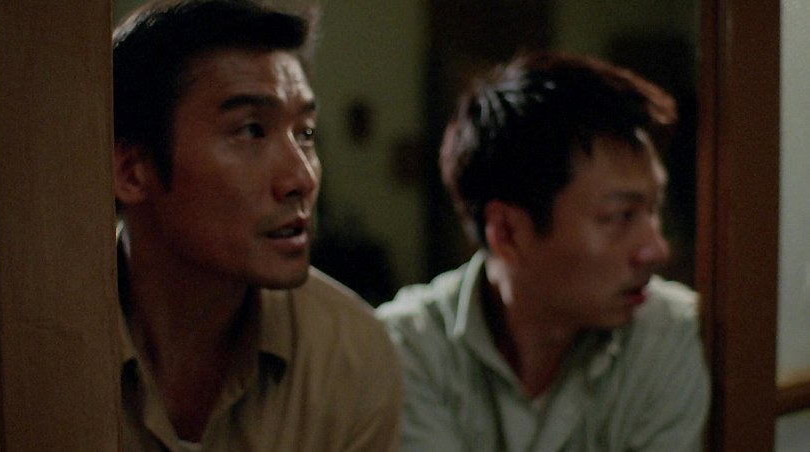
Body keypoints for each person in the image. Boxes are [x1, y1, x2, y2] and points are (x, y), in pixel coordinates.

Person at [376, 51, 710, 451]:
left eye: (654, 210)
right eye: (620, 216)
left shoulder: (671, 336)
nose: (656, 250)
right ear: (508, 233)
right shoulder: (408, 349)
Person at [112, 1, 402, 450]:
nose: (302, 178)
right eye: (250, 130)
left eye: (305, 133)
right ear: (132, 171)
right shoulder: (37, 342)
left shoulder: (350, 357)